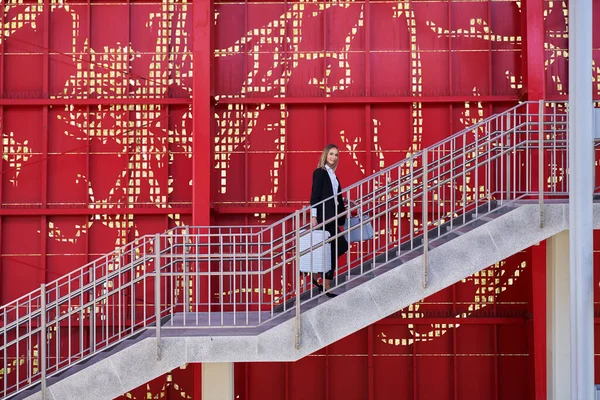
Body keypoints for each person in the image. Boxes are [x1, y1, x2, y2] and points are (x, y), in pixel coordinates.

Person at [310, 144, 349, 297]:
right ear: (325, 155)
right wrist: (314, 216)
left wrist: (345, 204)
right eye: (331, 154)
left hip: (334, 216)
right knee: (334, 248)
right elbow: (315, 196)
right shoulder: (320, 173)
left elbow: (335, 197)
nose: (333, 157)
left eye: (336, 155)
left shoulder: (333, 175)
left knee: (339, 247)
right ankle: (325, 284)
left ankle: (316, 273)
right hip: (325, 216)